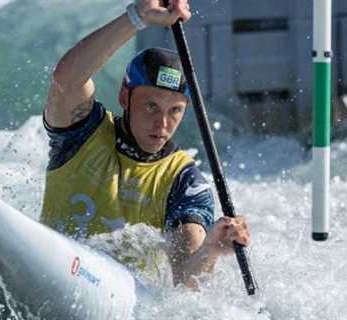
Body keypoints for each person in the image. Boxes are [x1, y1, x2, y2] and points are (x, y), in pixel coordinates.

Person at [40, 0, 250, 288]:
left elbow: (185, 281)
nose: (162, 123)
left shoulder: (184, 182)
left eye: (174, 110)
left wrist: (211, 248)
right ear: (125, 96)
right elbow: (67, 78)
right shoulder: (82, 133)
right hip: (50, 267)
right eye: (151, 105)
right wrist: (137, 17)